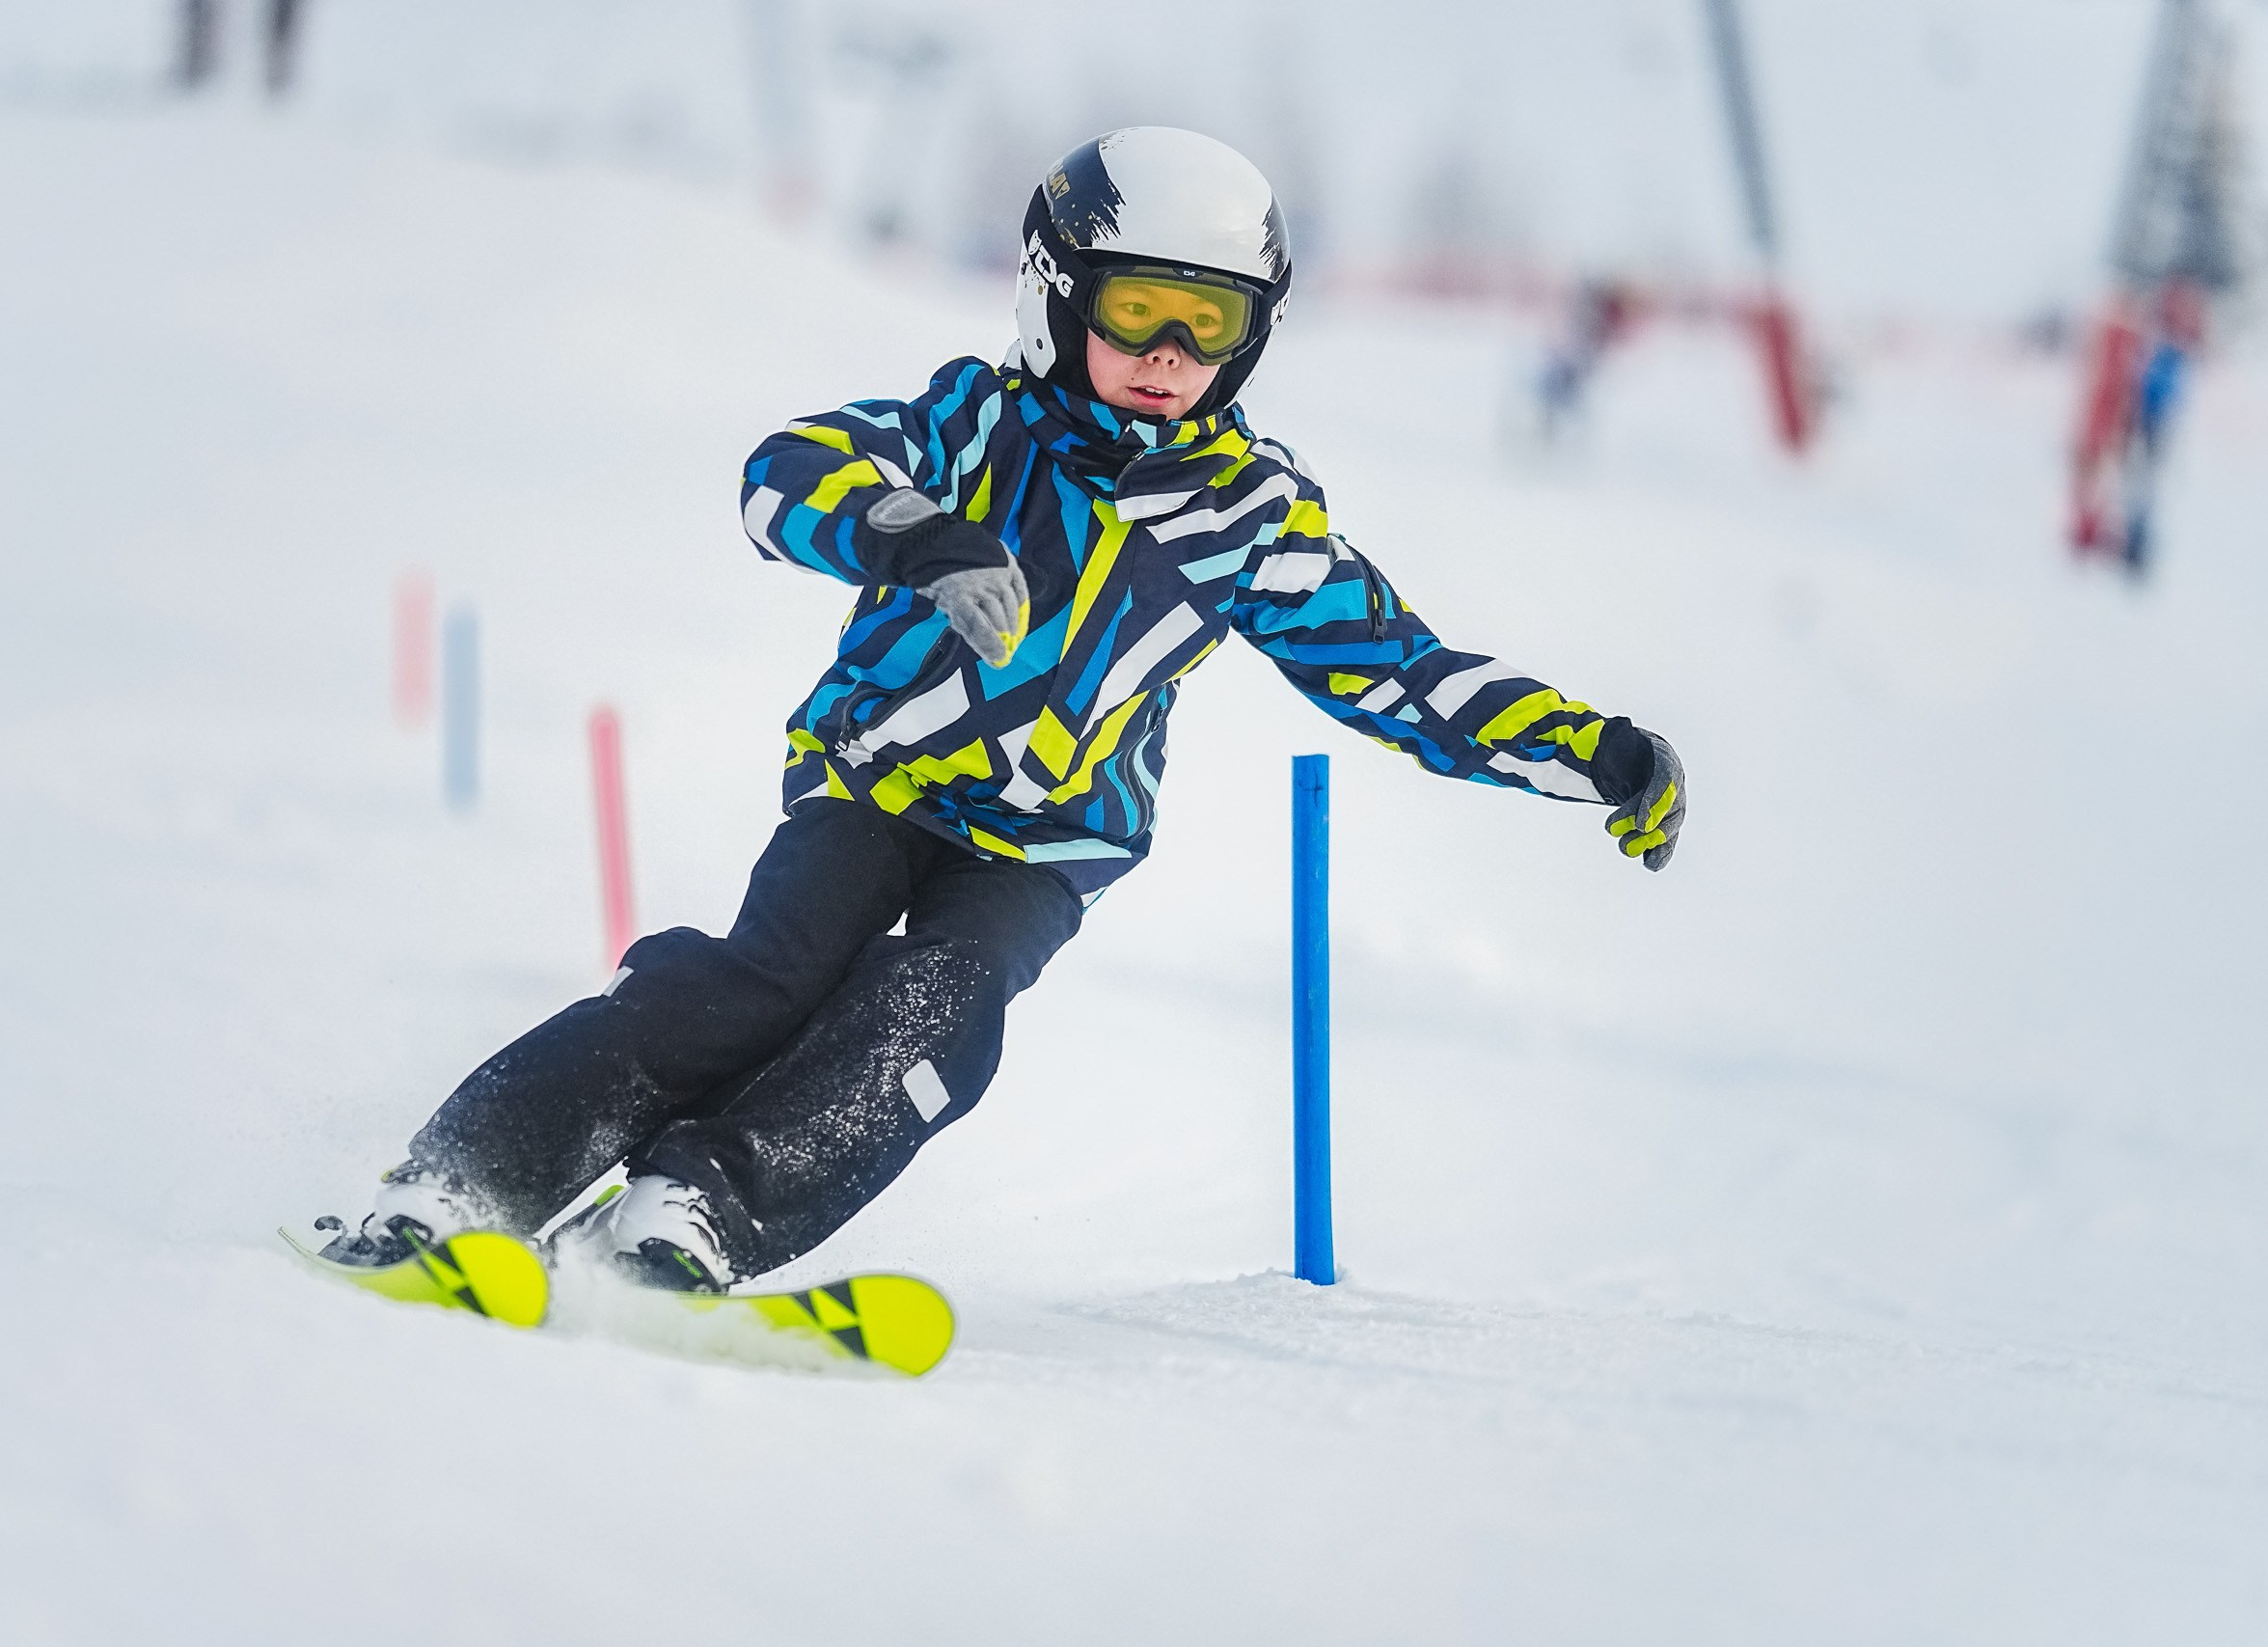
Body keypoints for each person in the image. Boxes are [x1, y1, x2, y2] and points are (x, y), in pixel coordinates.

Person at [315, 127, 1688, 1291]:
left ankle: (696, 1213)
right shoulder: (978, 426)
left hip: (1043, 843)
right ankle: (466, 1181)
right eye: (1136, 309)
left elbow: (1399, 672)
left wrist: (1596, 754)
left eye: (1209, 322)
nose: (1167, 352)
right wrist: (911, 530)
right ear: (1056, 294)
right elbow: (785, 473)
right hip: (879, 777)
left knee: (941, 1014)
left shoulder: (1249, 518)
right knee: (765, 982)